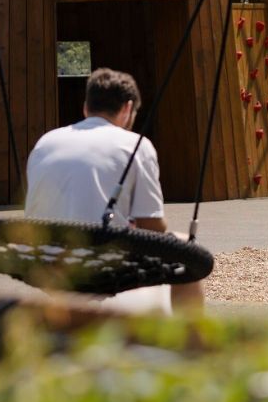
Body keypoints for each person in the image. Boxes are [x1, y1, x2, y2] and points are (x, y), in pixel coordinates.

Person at [25, 67, 202, 311]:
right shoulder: (136, 145)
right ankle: (190, 334)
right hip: (100, 269)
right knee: (187, 250)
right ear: (128, 109)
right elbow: (153, 228)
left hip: (45, 266)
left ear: (86, 107)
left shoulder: (45, 142)